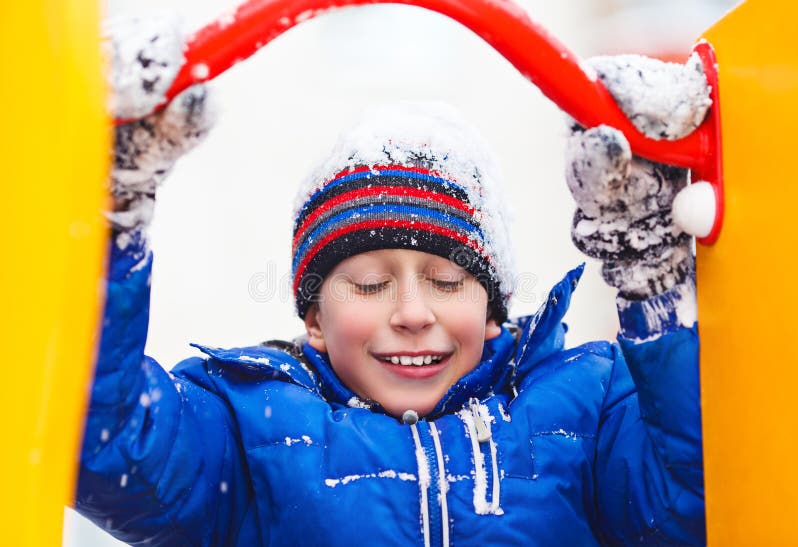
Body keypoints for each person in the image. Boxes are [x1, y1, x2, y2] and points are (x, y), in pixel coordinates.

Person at [76, 16, 709, 546]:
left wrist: (652, 279)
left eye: (446, 280)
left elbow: (700, 498)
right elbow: (105, 447)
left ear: (492, 309)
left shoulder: (588, 413)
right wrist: (107, 223)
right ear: (315, 319)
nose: (411, 312)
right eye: (370, 284)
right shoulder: (246, 431)